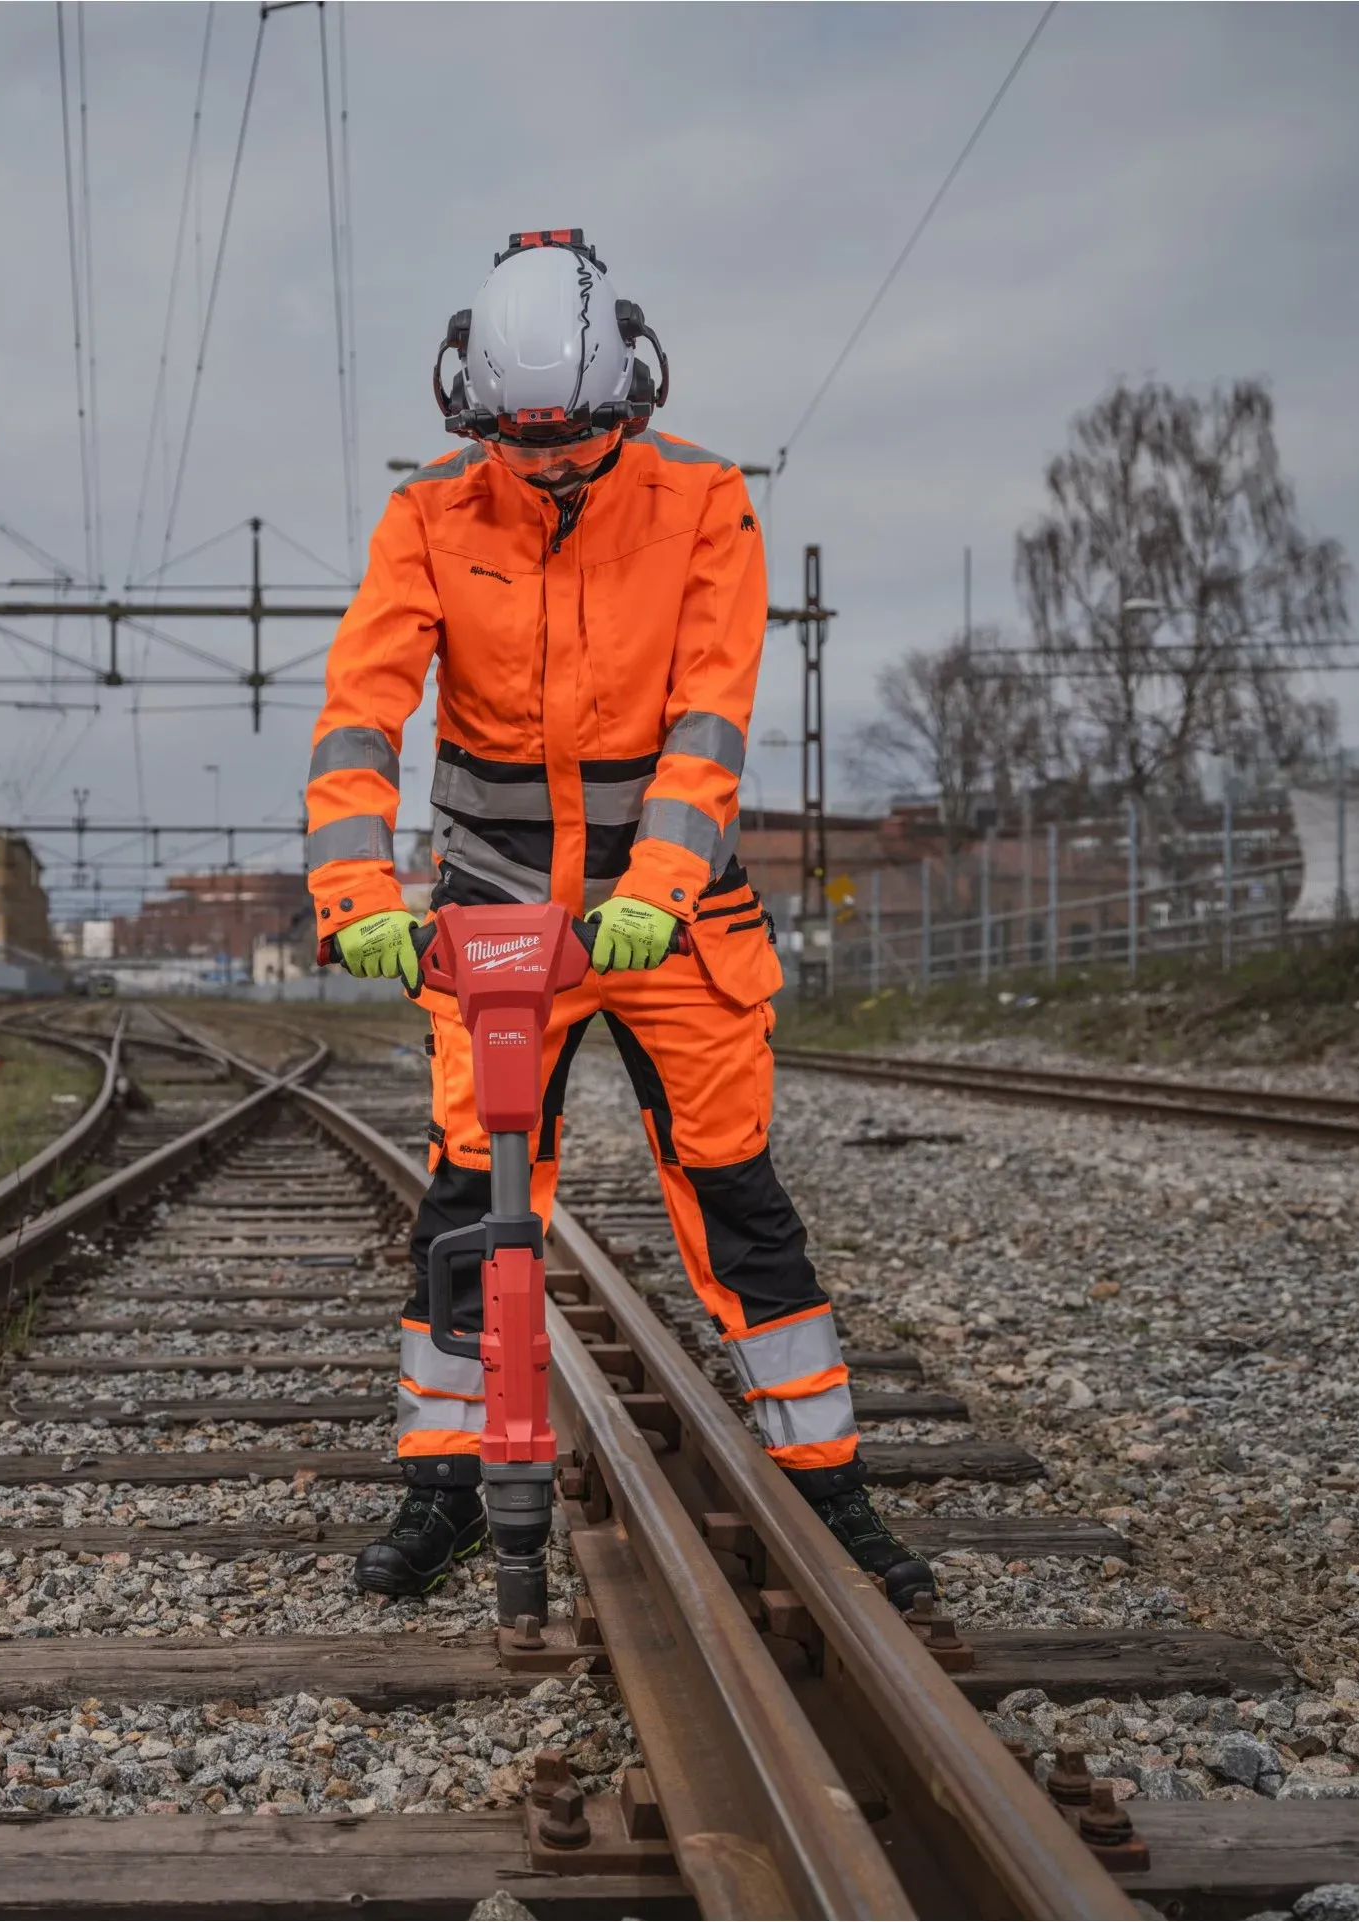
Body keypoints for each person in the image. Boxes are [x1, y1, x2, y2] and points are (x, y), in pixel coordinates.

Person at [305, 230, 934, 1610]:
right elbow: (361, 709)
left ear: (629, 397)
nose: (547, 466)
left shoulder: (705, 500)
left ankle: (828, 1487)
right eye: (519, 444)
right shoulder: (428, 514)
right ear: (474, 412)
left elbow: (709, 721)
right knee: (469, 1203)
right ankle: (444, 1483)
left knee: (735, 1191)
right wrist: (356, 897)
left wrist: (653, 892)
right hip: (494, 912)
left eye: (575, 440)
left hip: (671, 918)